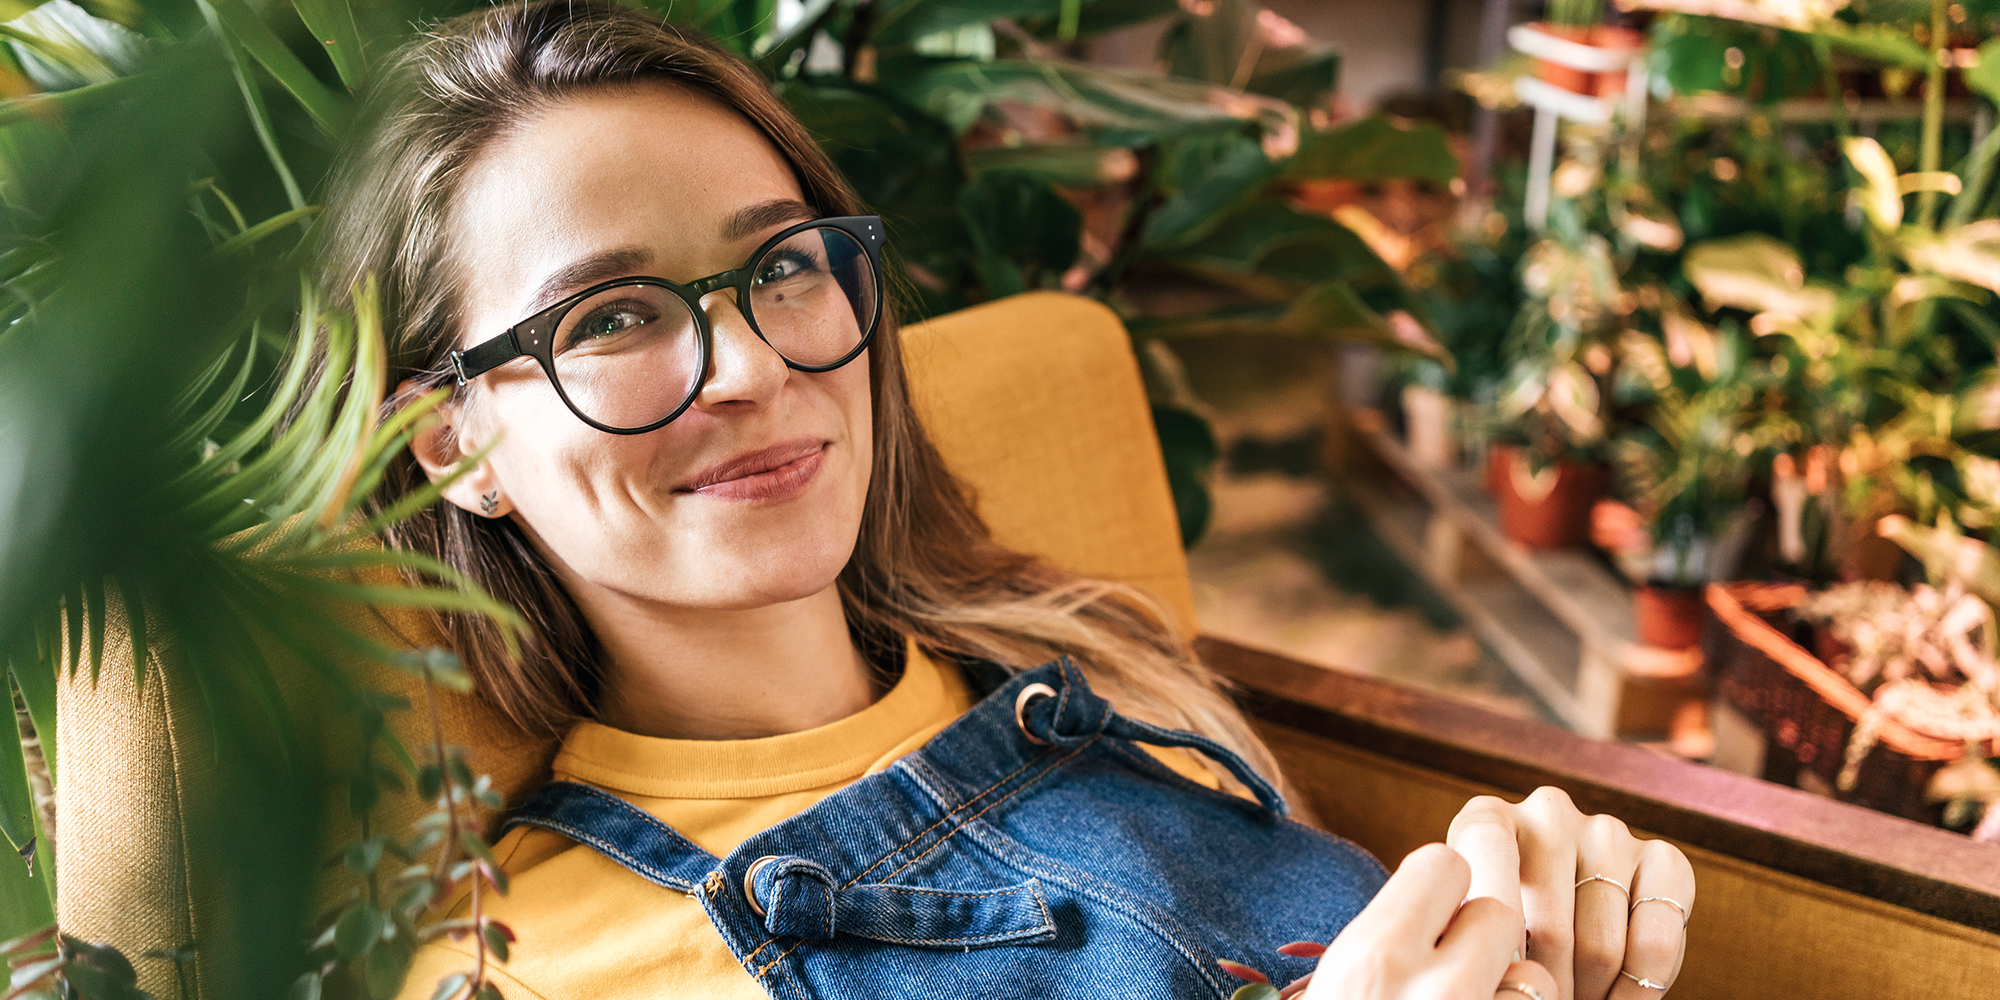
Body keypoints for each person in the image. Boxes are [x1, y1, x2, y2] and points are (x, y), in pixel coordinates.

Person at [317, 3, 1695, 998]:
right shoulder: (525, 970)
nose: (750, 365)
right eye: (612, 317)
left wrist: (1531, 895)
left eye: (783, 266)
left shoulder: (1093, 658)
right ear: (452, 442)